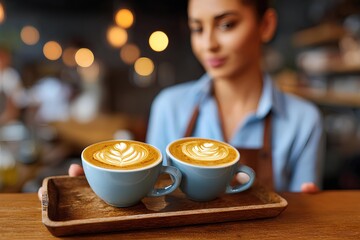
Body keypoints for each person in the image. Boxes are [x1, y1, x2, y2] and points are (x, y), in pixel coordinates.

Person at [38, 0, 324, 199]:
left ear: (265, 24)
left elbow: (301, 211)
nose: (208, 43)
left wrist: (310, 208)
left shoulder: (303, 120)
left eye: (226, 25)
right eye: (197, 28)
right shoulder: (169, 106)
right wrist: (104, 189)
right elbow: (153, 192)